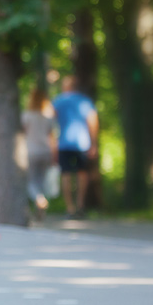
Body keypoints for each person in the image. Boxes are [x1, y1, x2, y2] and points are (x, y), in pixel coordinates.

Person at [53, 76, 98, 219]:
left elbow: (50, 122)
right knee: (82, 174)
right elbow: (92, 122)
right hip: (82, 143)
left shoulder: (58, 101)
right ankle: (80, 206)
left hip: (63, 143)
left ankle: (70, 208)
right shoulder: (84, 101)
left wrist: (52, 143)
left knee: (66, 174)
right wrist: (94, 143)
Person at [23, 87, 59, 221]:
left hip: (31, 151)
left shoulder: (26, 116)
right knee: (42, 180)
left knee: (31, 180)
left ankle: (39, 199)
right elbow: (52, 138)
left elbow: (23, 134)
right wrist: (55, 154)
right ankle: (40, 202)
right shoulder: (48, 118)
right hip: (46, 151)